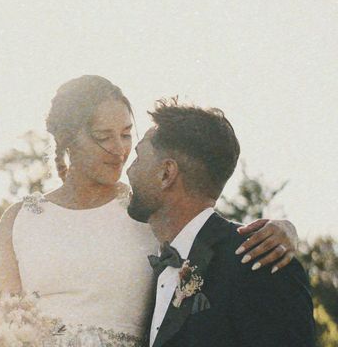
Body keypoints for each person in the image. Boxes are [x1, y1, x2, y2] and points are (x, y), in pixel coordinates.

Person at [0, 75, 299, 346]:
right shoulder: (21, 220)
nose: (120, 149)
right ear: (68, 138)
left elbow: (204, 222)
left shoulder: (147, 211)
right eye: (103, 137)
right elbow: (0, 327)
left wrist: (284, 229)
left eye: (126, 134)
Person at [127, 99, 314, 347]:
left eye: (139, 158)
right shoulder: (141, 266)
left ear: (166, 174)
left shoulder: (260, 262)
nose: (129, 171)